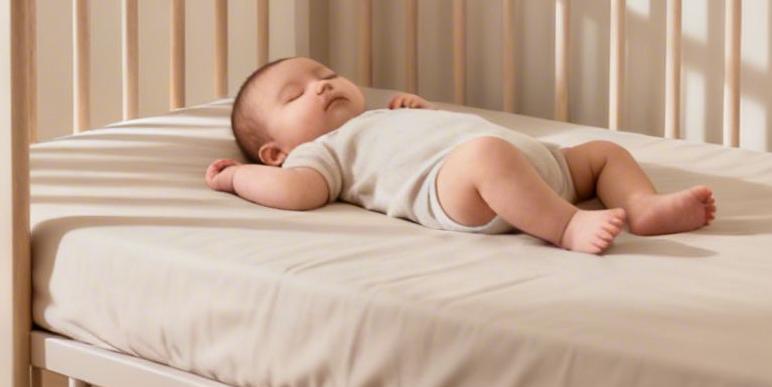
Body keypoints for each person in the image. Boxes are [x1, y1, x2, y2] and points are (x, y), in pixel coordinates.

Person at [207, 56, 716, 253]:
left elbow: (438, 134)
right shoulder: (320, 152)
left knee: (603, 151)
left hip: (536, 165)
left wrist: (419, 111)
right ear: (275, 152)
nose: (319, 89)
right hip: (459, 192)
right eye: (295, 96)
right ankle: (565, 227)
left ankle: (643, 207)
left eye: (324, 77)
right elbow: (296, 194)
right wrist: (237, 179)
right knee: (485, 156)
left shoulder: (384, 115)